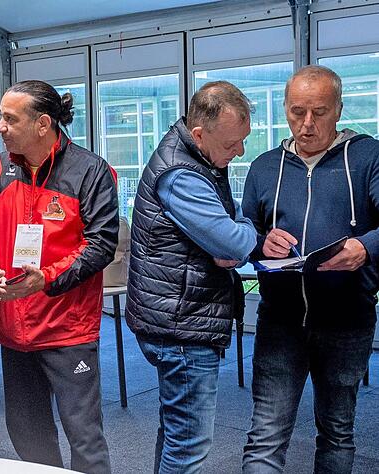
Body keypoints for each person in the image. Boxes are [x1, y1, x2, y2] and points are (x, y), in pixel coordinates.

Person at [0, 80, 119, 473]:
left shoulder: (91, 172)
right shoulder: (0, 169)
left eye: (8, 118)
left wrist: (47, 278)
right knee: (27, 434)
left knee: (84, 437)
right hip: (14, 330)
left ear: (42, 124)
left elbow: (101, 244)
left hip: (67, 330)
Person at [241, 65, 379, 474]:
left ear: (339, 109)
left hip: (347, 319)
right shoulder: (265, 167)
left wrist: (366, 248)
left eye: (319, 112)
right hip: (280, 320)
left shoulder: (369, 156)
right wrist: (260, 243)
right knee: (265, 433)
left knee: (337, 432)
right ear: (284, 108)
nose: (306, 124)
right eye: (297, 111)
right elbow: (246, 233)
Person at [125, 81, 257, 473]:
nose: (240, 152)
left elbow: (225, 240)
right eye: (233, 144)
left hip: (178, 316)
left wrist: (228, 235)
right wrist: (245, 225)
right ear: (199, 134)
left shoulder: (196, 158)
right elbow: (235, 243)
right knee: (189, 448)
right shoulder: (181, 174)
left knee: (175, 436)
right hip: (182, 326)